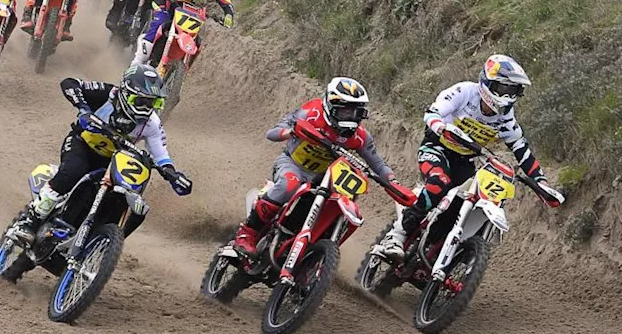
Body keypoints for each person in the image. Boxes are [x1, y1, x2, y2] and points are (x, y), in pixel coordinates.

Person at [375, 56, 564, 260]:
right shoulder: (465, 92)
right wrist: (441, 126)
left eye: (514, 90)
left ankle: (452, 251)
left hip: (465, 162)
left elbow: (521, 148)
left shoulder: (506, 118)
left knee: (470, 200)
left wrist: (540, 181)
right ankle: (396, 235)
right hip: (436, 147)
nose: (508, 96)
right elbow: (433, 112)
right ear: (488, 83)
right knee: (439, 182)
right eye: (503, 88)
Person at [10, 66, 193, 243]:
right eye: (141, 101)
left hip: (111, 161)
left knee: (121, 193)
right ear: (126, 93)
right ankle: (30, 220)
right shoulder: (108, 95)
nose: (147, 107)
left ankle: (98, 240)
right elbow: (70, 83)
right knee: (73, 171)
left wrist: (173, 175)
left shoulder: (152, 124)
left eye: (153, 102)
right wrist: (84, 108)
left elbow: (160, 155)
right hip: (82, 144)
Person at [231, 78, 411, 255]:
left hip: (324, 176)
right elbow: (272, 133)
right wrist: (291, 131)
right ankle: (247, 234)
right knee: (288, 185)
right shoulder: (310, 113)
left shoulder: (360, 136)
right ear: (330, 106)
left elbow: (378, 164)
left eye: (354, 112)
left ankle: (314, 247)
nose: (349, 117)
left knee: (338, 201)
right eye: (344, 111)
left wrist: (393, 183)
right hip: (293, 164)